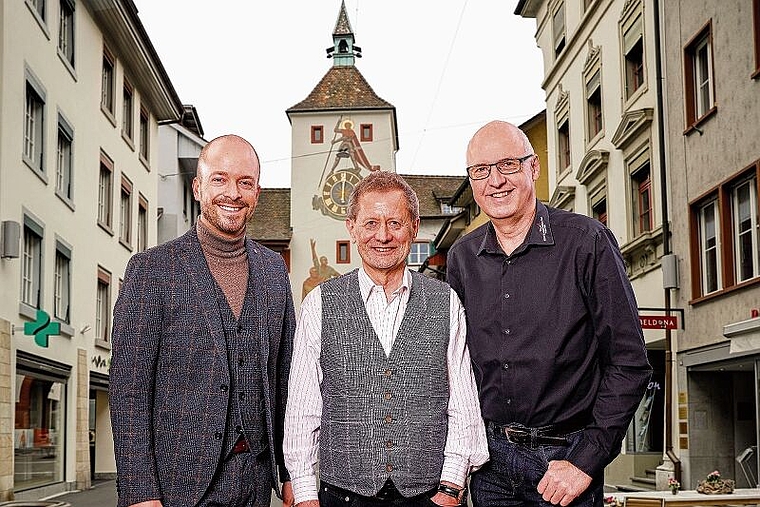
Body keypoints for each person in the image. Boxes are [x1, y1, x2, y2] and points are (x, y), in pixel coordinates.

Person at [446, 121, 652, 507]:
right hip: (489, 466)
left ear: (534, 168)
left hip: (565, 461)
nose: (495, 181)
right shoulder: (461, 257)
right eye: (480, 171)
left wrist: (585, 461)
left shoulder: (586, 241)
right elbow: (454, 368)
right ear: (471, 180)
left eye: (507, 165)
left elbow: (629, 363)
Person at [109, 135, 296, 507]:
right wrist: (140, 493)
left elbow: (284, 380)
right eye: (220, 179)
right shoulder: (151, 270)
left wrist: (290, 473)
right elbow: (129, 391)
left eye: (245, 182)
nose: (233, 192)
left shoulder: (275, 271)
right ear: (198, 187)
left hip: (256, 482)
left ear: (257, 193)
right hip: (176, 487)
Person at [284, 171, 488, 507]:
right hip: (344, 496)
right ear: (352, 227)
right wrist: (305, 493)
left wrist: (451, 488)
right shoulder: (319, 304)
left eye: (395, 223)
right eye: (371, 223)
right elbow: (303, 410)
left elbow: (462, 404)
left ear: (413, 226)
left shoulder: (445, 301)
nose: (383, 235)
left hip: (430, 496)